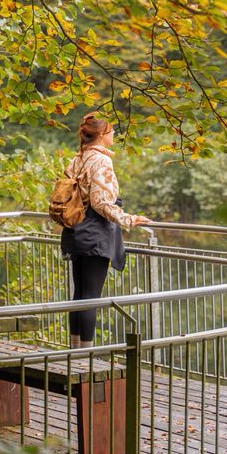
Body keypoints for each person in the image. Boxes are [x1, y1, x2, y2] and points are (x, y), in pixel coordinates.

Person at [61, 113, 151, 348]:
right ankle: (86, 357)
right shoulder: (101, 161)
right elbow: (101, 203)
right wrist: (129, 219)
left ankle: (75, 352)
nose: (114, 135)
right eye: (112, 131)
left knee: (80, 295)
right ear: (101, 134)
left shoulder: (77, 159)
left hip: (75, 229)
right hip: (94, 232)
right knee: (91, 296)